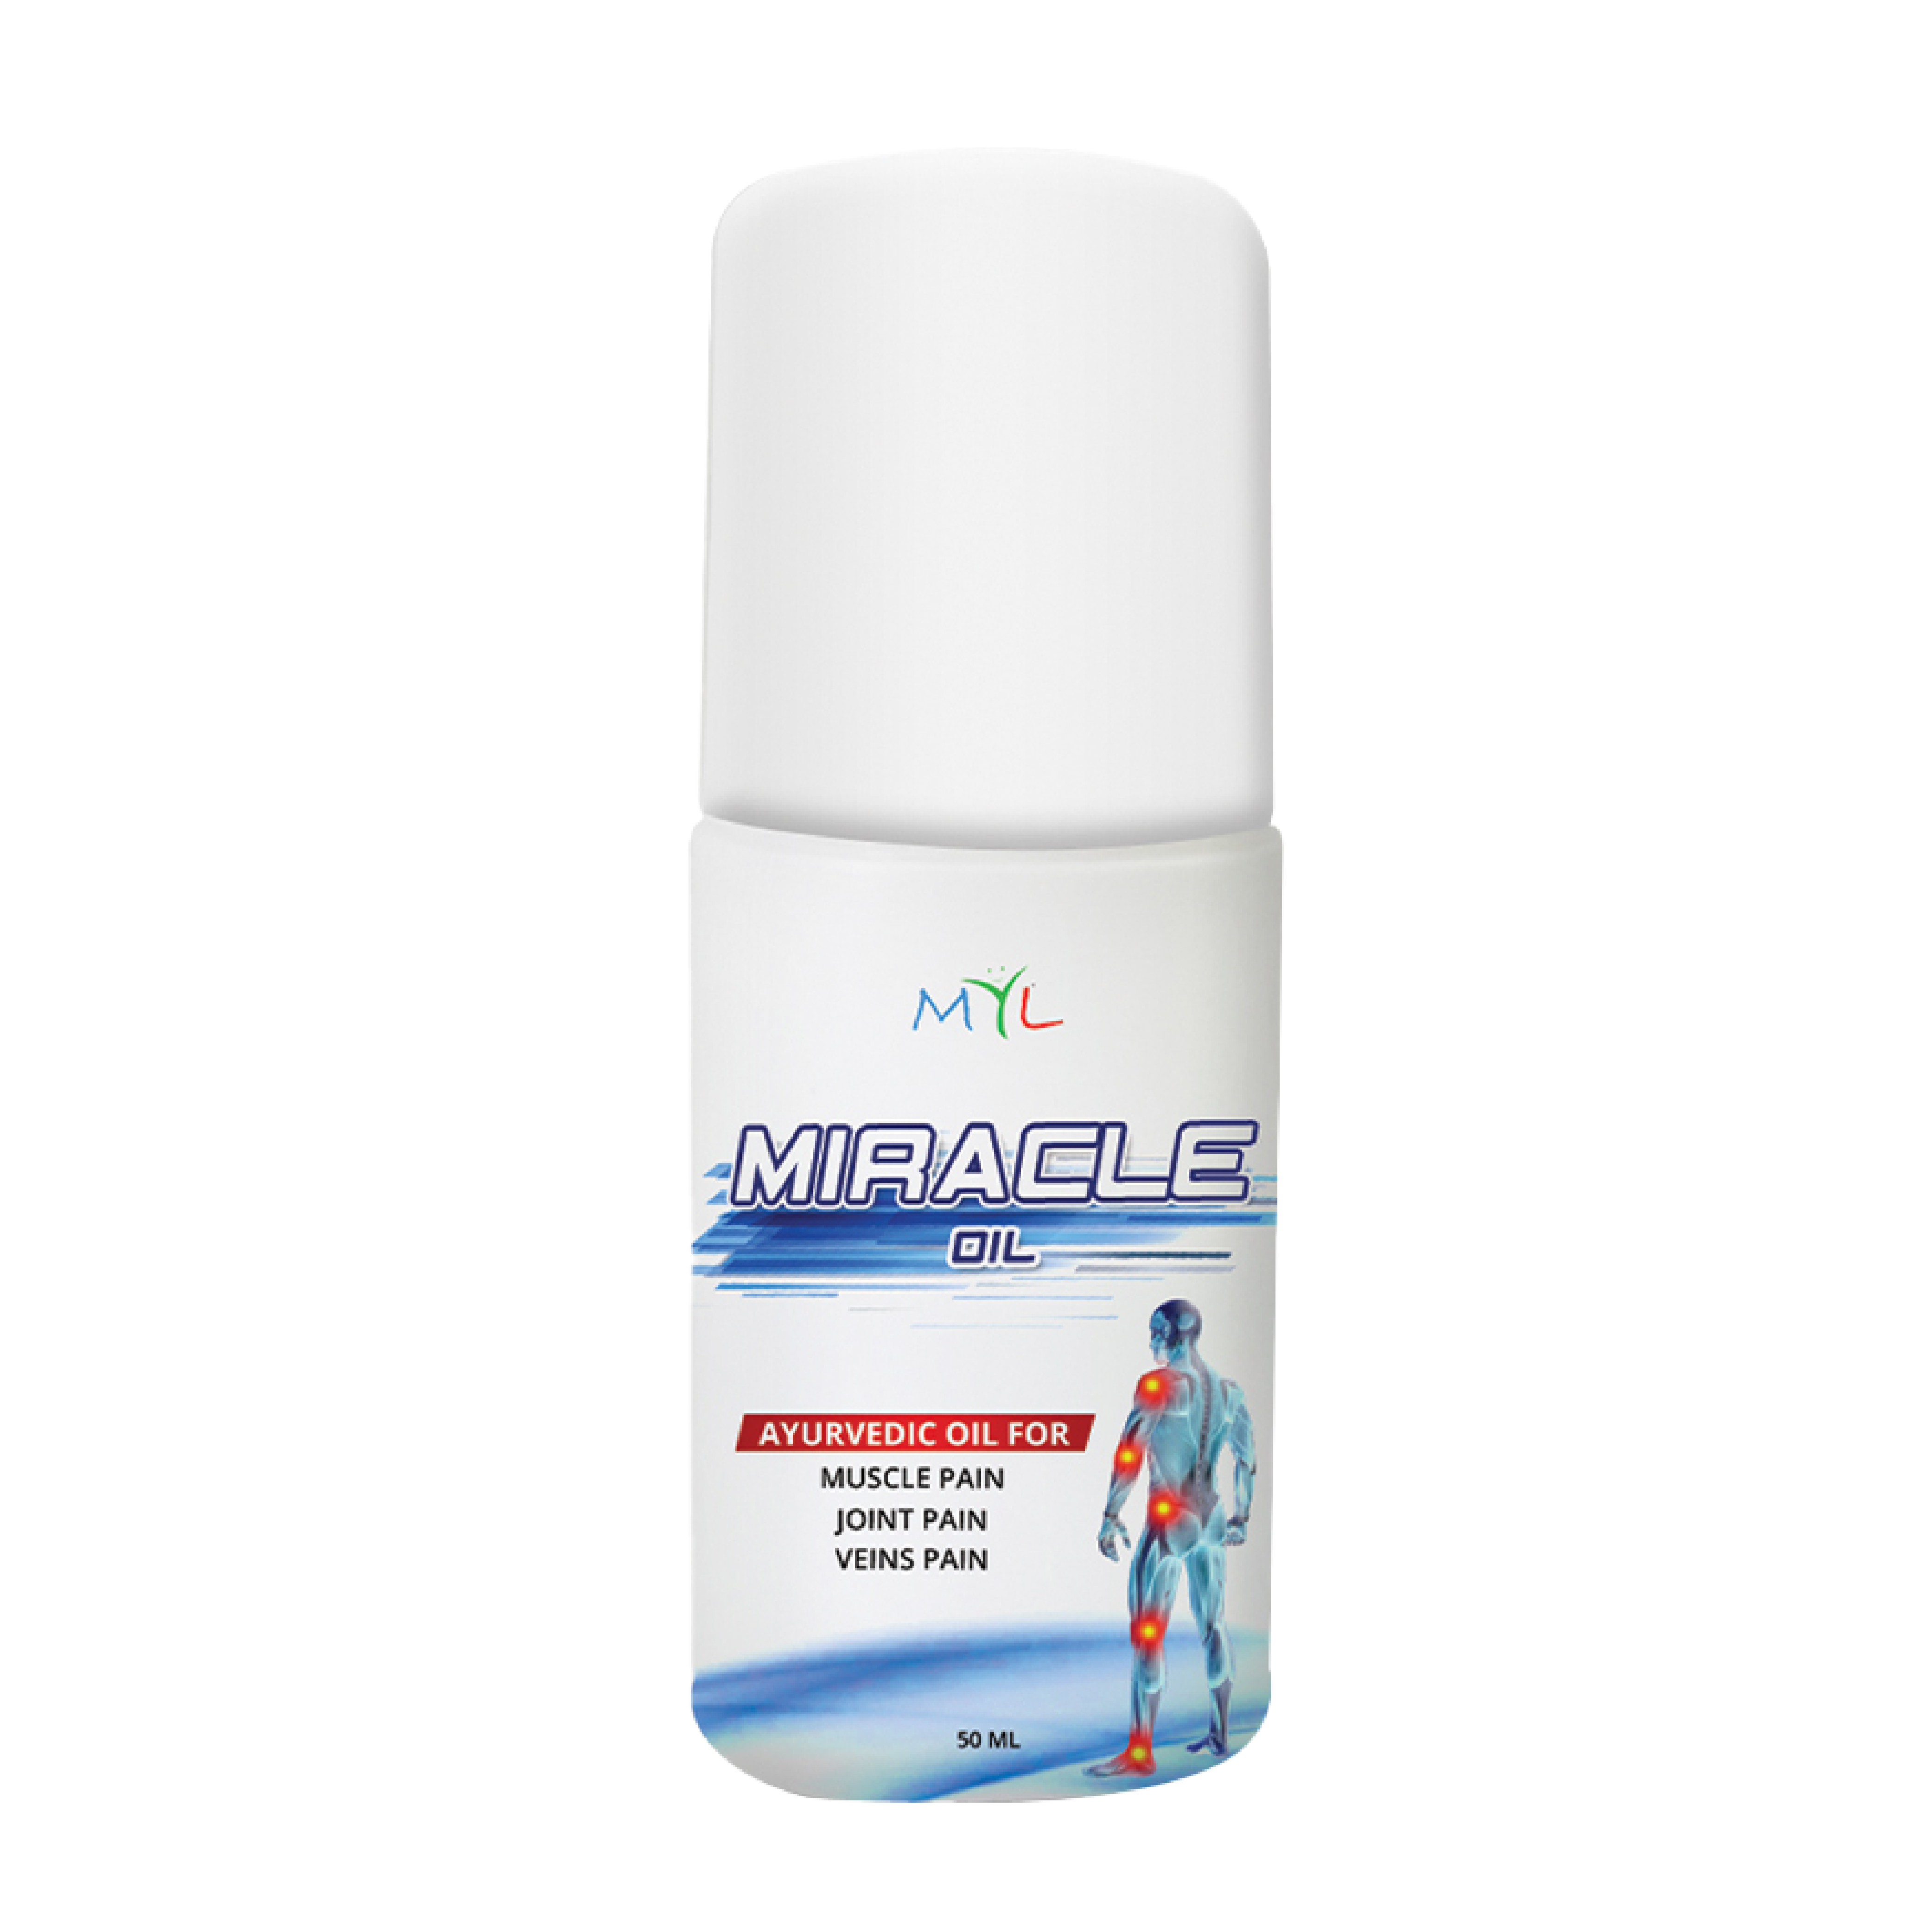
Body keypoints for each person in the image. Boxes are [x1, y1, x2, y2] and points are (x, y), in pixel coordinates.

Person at [1087, 1298, 1256, 1777]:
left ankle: (1139, 1752)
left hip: (1171, 1517)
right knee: (1213, 1625)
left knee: (1148, 1633)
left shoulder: (1158, 1385)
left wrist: (1111, 1514)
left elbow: (1130, 1450)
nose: (1151, 1341)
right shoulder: (1229, 1391)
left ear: (1173, 1334)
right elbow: (1247, 1460)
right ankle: (1220, 1735)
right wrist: (1242, 1515)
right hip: (1212, 1516)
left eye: (1155, 1332)